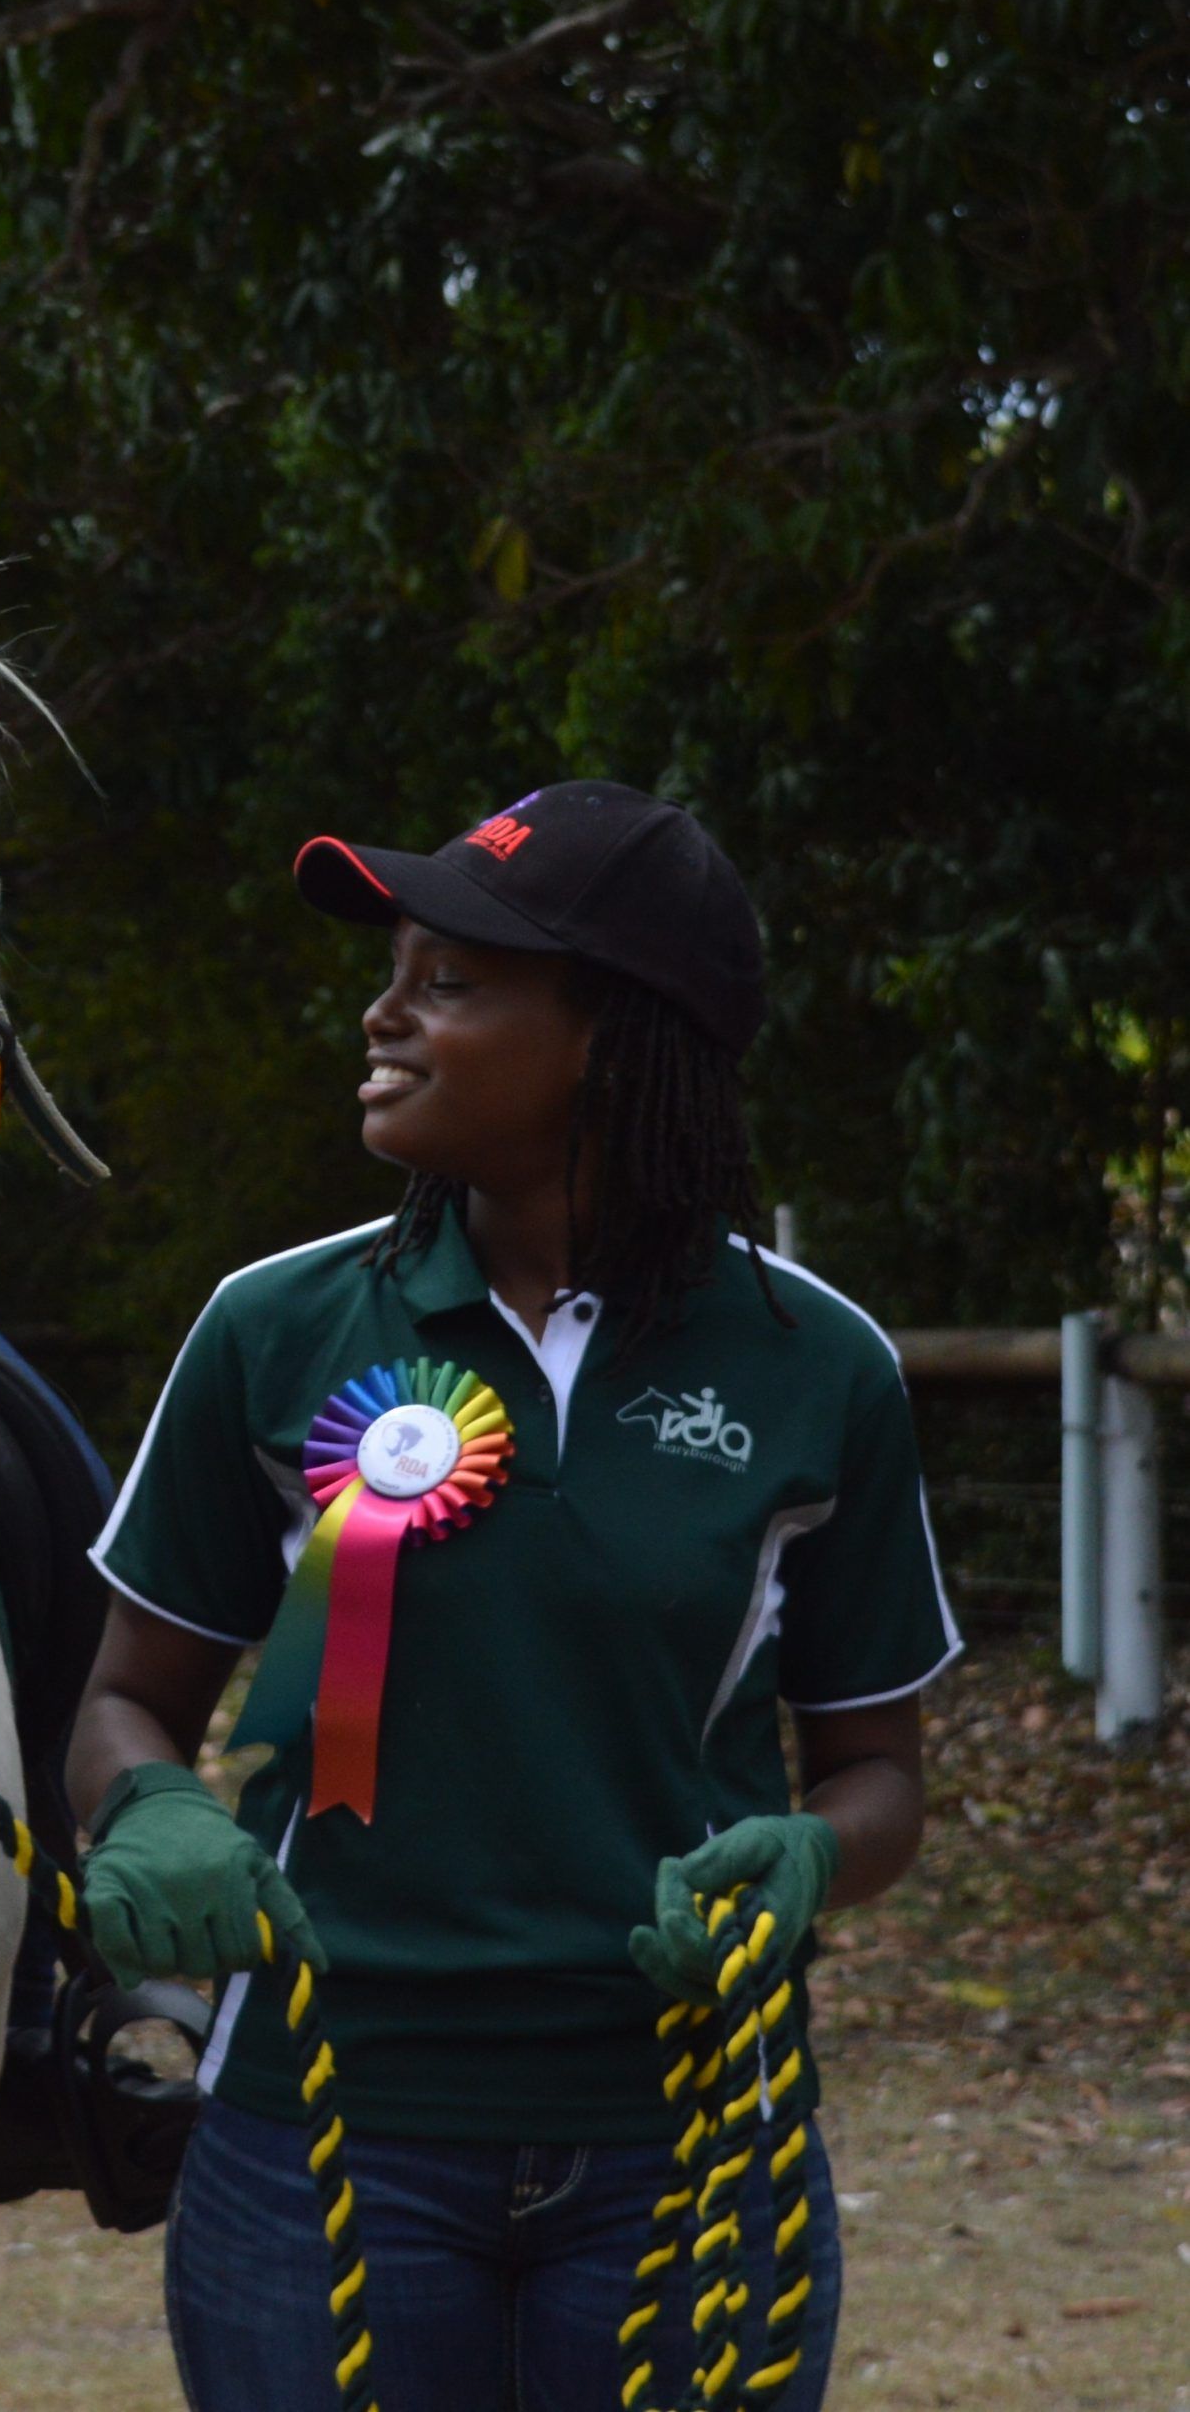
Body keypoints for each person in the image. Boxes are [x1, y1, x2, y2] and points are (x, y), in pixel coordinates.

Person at [69, 781, 961, 2412]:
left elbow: (879, 1769)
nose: (381, 1011)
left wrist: (816, 1853)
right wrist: (146, 1808)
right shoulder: (271, 1332)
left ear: (614, 1041)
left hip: (693, 2153)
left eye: (449, 981)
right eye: (392, 969)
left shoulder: (818, 1368)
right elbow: (126, 1698)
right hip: (317, 2137)